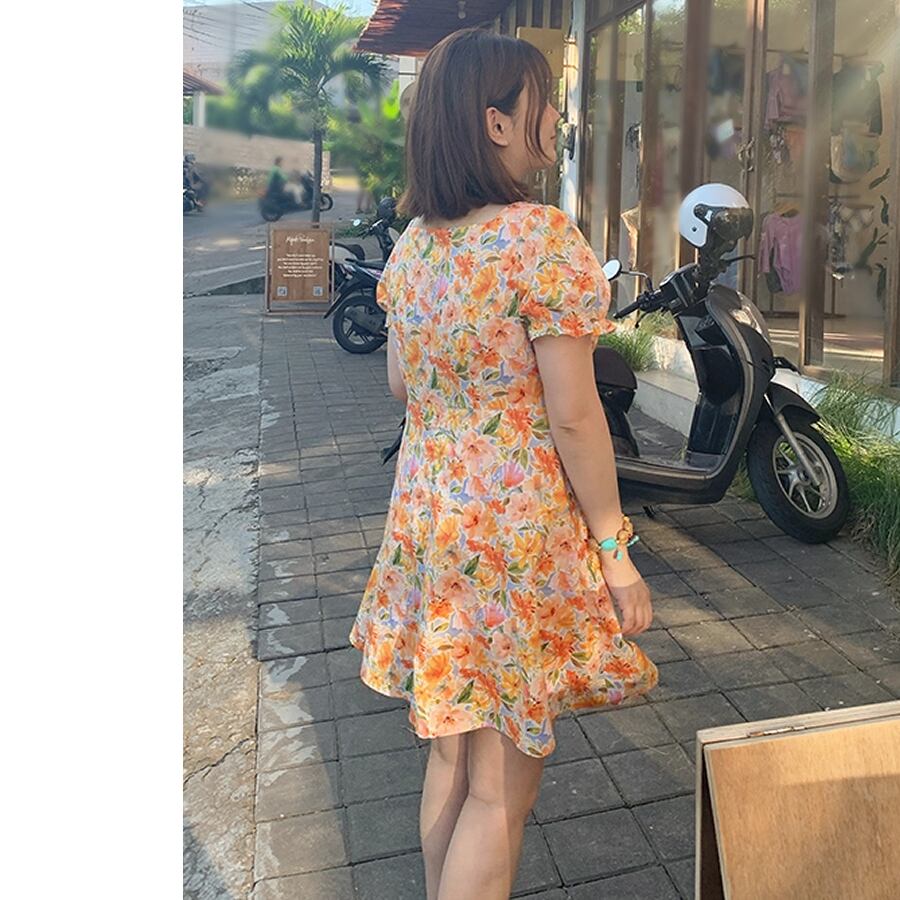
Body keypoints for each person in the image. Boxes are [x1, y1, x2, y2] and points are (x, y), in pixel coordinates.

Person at [348, 27, 658, 900]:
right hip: (513, 532)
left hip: (430, 520)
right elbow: (574, 413)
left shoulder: (415, 245)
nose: (555, 117)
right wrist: (614, 548)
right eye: (543, 102)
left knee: (453, 753)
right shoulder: (539, 239)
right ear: (495, 122)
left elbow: (401, 382)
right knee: (500, 783)